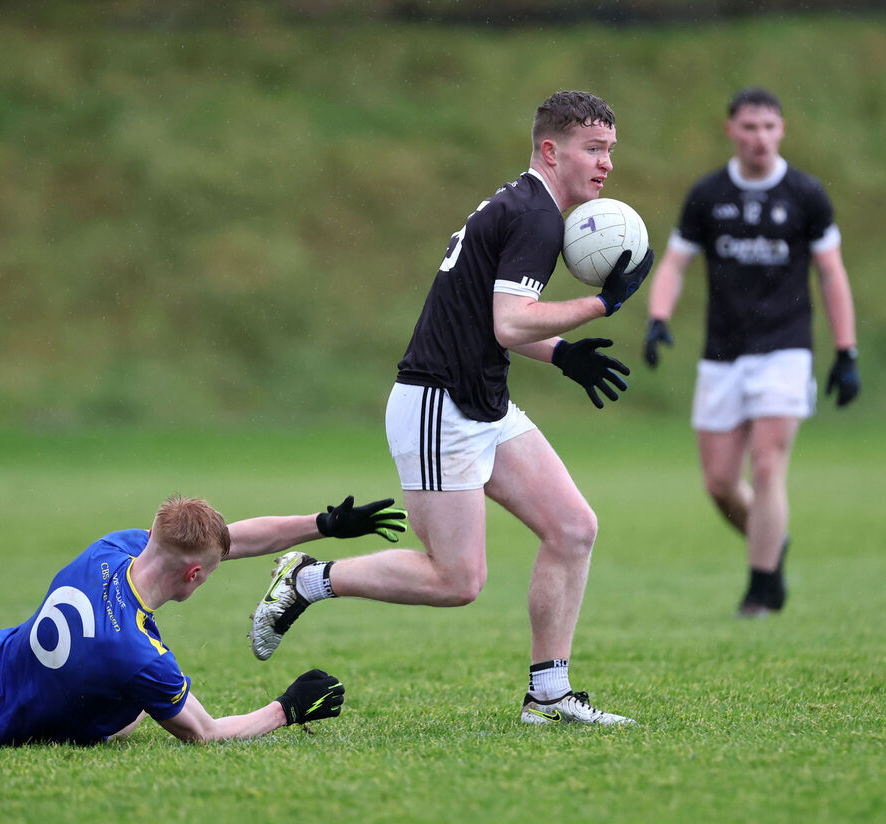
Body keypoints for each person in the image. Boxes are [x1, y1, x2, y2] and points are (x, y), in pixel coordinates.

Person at [250, 90, 654, 726]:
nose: (606, 164)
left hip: (480, 401)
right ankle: (306, 579)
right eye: (593, 149)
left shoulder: (525, 203)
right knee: (457, 581)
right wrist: (604, 305)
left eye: (610, 151)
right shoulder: (537, 217)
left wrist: (563, 355)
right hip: (439, 405)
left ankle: (548, 694)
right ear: (552, 150)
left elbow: (489, 321)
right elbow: (508, 321)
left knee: (573, 527)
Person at [0, 493, 405, 752]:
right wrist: (285, 708)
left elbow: (228, 540)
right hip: (55, 716)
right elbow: (204, 734)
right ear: (194, 576)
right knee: (137, 712)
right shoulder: (141, 655)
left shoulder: (110, 549)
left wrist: (322, 524)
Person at [642, 87, 860, 618]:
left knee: (767, 466)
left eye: (769, 127)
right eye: (749, 127)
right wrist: (658, 317)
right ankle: (772, 538)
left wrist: (845, 350)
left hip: (786, 348)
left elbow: (830, 272)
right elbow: (673, 263)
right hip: (723, 353)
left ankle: (762, 588)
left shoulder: (806, 194)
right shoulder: (707, 194)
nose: (760, 137)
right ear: (731, 131)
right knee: (719, 483)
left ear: (781, 130)